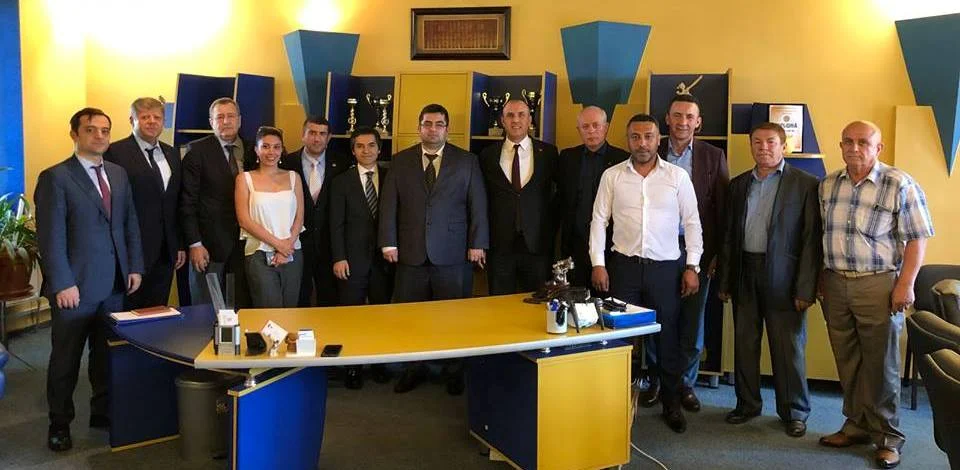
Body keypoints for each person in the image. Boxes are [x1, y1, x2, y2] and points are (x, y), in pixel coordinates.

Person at [817, 121, 934, 469]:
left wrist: (906, 284)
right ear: (840, 145)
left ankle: (888, 436)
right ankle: (856, 425)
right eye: (848, 142)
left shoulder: (899, 183)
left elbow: (917, 238)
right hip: (836, 283)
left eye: (863, 142)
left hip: (878, 284)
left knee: (881, 363)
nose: (854, 148)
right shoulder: (828, 185)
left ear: (878, 148)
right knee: (847, 359)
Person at [35, 108, 144, 451]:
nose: (99, 136)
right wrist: (62, 283)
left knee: (104, 355)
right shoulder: (56, 177)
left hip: (114, 284)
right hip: (75, 287)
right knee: (66, 360)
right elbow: (50, 237)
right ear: (75, 134)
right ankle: (59, 423)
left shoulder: (118, 174)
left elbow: (129, 223)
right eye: (91, 130)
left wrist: (134, 266)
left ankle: (102, 411)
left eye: (105, 130)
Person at [590, 113, 702, 433]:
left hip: (666, 270)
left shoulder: (677, 177)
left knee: (667, 341)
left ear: (658, 139)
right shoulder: (612, 176)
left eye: (648, 137)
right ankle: (612, 406)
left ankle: (671, 405)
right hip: (622, 269)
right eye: (635, 137)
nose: (642, 143)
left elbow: (692, 222)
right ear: (628, 140)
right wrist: (598, 262)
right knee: (618, 340)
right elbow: (599, 220)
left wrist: (692, 265)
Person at [717, 122, 821, 437]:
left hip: (785, 276)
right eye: (757, 142)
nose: (764, 147)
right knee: (745, 343)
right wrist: (725, 281)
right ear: (750, 145)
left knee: (788, 347)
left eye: (771, 142)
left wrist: (806, 288)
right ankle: (747, 404)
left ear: (783, 145)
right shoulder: (739, 184)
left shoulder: (805, 184)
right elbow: (728, 236)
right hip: (745, 271)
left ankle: (794, 412)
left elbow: (811, 241)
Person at [379, 103, 489, 394]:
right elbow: (389, 204)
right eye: (427, 124)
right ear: (419, 128)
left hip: (453, 253)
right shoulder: (400, 161)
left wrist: (478, 243)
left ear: (447, 129)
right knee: (411, 318)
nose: (433, 129)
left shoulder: (467, 161)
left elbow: (477, 204)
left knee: (453, 317)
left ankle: (454, 371)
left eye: (439, 124)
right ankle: (413, 369)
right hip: (410, 252)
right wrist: (388, 241)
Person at [640, 94, 729, 410]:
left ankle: (685, 384)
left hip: (696, 251)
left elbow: (722, 210)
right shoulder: (652, 149)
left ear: (698, 122)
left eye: (689, 117)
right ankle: (656, 380)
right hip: (656, 250)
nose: (682, 122)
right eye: (677, 115)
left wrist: (715, 255)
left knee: (692, 320)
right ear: (667, 119)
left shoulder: (713, 156)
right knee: (657, 317)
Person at [329, 127, 394, 388]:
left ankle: (379, 364)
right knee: (352, 317)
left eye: (371, 145)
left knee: (380, 316)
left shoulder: (392, 177)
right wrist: (339, 257)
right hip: (351, 261)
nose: (366, 150)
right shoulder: (341, 182)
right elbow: (336, 224)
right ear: (353, 151)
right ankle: (353, 368)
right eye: (360, 146)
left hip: (384, 261)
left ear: (379, 149)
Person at [104, 97, 184, 308]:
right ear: (132, 120)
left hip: (166, 250)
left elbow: (175, 202)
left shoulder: (172, 153)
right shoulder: (114, 153)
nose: (151, 121)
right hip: (132, 248)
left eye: (157, 117)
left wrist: (178, 244)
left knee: (158, 310)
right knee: (130, 311)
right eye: (145, 117)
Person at [478, 99, 558, 294]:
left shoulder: (548, 153)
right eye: (510, 115)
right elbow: (480, 200)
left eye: (521, 115)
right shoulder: (487, 155)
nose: (516, 120)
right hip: (499, 245)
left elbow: (557, 196)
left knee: (537, 301)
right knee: (499, 303)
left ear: (530, 120)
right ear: (502, 120)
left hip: (537, 245)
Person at [180, 97, 255, 306]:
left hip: (246, 245)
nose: (226, 121)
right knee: (206, 308)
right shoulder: (196, 151)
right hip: (209, 245)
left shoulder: (254, 149)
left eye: (231, 116)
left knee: (240, 306)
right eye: (220, 117)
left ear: (239, 120)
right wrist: (195, 243)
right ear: (211, 122)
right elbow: (187, 202)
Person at [280, 116, 351, 307]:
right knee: (298, 299)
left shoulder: (342, 163)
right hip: (296, 244)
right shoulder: (286, 163)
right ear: (303, 135)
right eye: (312, 133)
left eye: (322, 134)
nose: (317, 138)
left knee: (330, 301)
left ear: (329, 138)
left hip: (330, 245)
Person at [556, 106, 629, 289]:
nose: (591, 131)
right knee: (576, 300)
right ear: (578, 130)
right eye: (585, 126)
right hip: (575, 245)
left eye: (596, 125)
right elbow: (560, 200)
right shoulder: (567, 157)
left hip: (611, 246)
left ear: (606, 127)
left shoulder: (623, 159)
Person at [235, 126, 304, 308]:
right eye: (265, 146)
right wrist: (278, 245)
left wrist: (286, 247)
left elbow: (299, 217)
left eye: (276, 147)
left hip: (292, 252)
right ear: (256, 150)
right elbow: (244, 220)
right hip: (259, 253)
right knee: (269, 312)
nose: (271, 152)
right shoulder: (244, 179)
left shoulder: (294, 177)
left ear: (282, 150)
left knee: (291, 312)